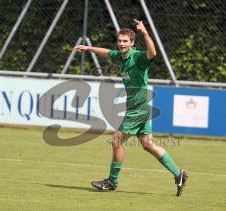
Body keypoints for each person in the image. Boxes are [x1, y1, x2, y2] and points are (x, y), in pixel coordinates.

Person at [75, 19, 188, 196]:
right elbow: (106, 53)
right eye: (119, 41)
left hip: (138, 108)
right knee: (148, 145)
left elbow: (152, 52)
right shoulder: (120, 56)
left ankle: (111, 182)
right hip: (140, 107)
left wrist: (145, 32)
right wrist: (89, 49)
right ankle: (178, 173)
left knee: (116, 140)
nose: (121, 44)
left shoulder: (137, 57)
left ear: (132, 43)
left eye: (125, 41)